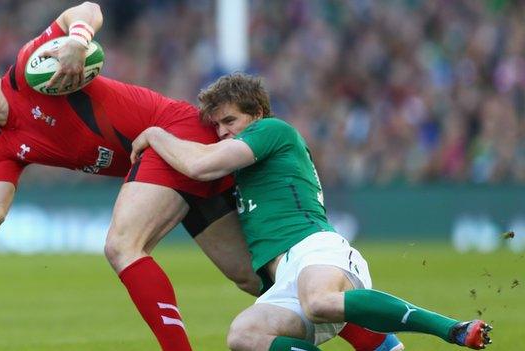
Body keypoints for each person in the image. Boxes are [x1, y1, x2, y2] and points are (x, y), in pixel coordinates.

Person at [0, 3, 395, 351]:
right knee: (260, 281)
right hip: (159, 164)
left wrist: (78, 38)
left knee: (122, 245)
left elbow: (87, 8)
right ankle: (383, 344)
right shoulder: (2, 146)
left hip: (171, 135)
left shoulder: (33, 71)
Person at [130, 73, 494, 351]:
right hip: (284, 276)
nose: (222, 132)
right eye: (217, 126)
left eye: (230, 121)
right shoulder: (247, 165)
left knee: (319, 302)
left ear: (256, 114)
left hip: (314, 248)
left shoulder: (272, 130)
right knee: (244, 336)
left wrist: (155, 135)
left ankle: (453, 329)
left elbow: (199, 167)